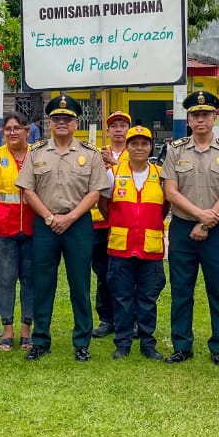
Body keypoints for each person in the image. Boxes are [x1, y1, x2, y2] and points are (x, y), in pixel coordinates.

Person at [17, 95, 111, 361]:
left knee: (79, 283)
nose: (61, 123)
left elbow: (95, 192)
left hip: (78, 224)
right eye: (57, 119)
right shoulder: (36, 153)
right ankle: (40, 340)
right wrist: (49, 217)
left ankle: (82, 341)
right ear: (50, 123)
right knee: (42, 283)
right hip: (45, 224)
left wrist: (70, 218)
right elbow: (27, 190)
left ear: (75, 123)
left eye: (67, 119)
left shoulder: (89, 154)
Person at [161, 90, 219, 366]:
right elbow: (170, 191)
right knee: (182, 289)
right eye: (195, 115)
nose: (200, 120)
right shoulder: (175, 150)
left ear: (214, 118)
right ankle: (181, 345)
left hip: (217, 230)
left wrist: (208, 221)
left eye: (205, 115)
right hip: (183, 229)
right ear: (189, 118)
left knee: (218, 289)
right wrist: (199, 217)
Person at [100, 126, 167, 360]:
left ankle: (148, 344)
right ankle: (123, 343)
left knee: (148, 298)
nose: (139, 148)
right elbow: (103, 204)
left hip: (151, 247)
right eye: (134, 143)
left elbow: (165, 206)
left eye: (144, 144)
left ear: (151, 147)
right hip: (121, 246)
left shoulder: (160, 175)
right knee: (121, 296)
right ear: (127, 147)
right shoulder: (114, 173)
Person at [0, 112, 36, 352]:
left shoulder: (38, 154)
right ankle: (7, 328)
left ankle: (26, 329)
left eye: (17, 128)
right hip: (2, 228)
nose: (13, 132)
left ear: (27, 130)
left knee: (30, 280)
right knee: (4, 279)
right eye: (8, 128)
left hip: (33, 228)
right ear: (2, 132)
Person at [89, 109, 131, 339]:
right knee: (103, 272)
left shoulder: (134, 152)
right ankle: (106, 318)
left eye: (122, 125)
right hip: (100, 223)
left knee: (125, 273)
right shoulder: (97, 154)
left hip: (125, 221)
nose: (118, 129)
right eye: (114, 125)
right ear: (107, 130)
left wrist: (112, 164)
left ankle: (128, 317)